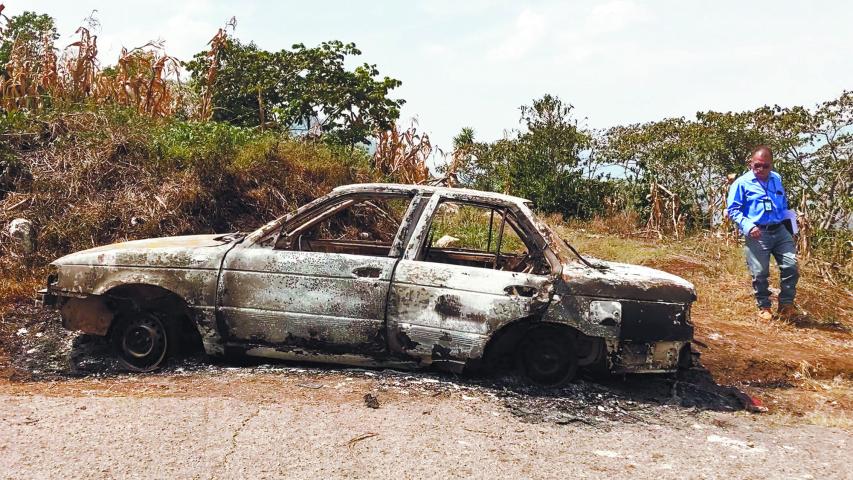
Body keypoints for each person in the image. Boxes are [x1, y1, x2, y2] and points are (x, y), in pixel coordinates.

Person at [726, 145, 799, 320]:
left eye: (765, 166)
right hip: (757, 232)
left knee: (791, 266)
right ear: (751, 163)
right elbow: (733, 210)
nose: (761, 169)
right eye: (757, 165)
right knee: (760, 272)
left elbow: (782, 204)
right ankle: (764, 306)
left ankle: (786, 304)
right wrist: (749, 226)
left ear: (772, 165)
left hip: (780, 230)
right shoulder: (741, 183)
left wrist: (791, 225)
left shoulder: (776, 179)